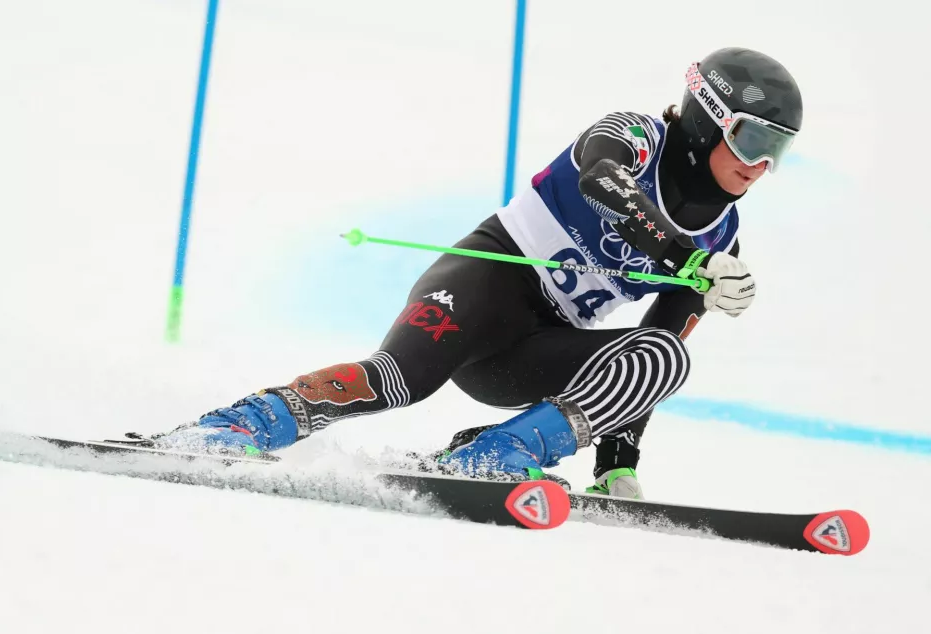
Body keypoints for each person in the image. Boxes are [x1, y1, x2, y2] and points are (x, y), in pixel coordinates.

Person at [150, 47, 803, 498]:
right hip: (485, 287)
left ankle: (496, 452)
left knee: (667, 355)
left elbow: (652, 351)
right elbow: (602, 179)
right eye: (752, 140)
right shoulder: (634, 134)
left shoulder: (722, 239)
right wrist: (683, 260)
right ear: (706, 117)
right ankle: (242, 422)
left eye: (777, 151)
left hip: (533, 352)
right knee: (397, 379)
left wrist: (617, 465)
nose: (760, 165)